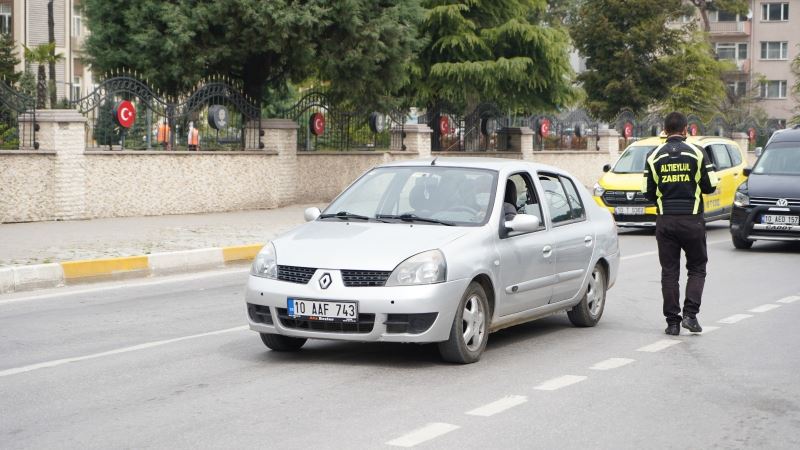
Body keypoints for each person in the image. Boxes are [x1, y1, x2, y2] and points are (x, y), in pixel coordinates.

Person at [642, 112, 718, 336]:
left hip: (665, 222)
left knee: (669, 272)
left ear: (664, 130)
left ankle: (672, 323)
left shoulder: (653, 155)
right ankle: (690, 316)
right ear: (686, 130)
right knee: (696, 268)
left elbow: (647, 192)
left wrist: (663, 198)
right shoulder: (698, 152)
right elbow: (711, 185)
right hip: (692, 220)